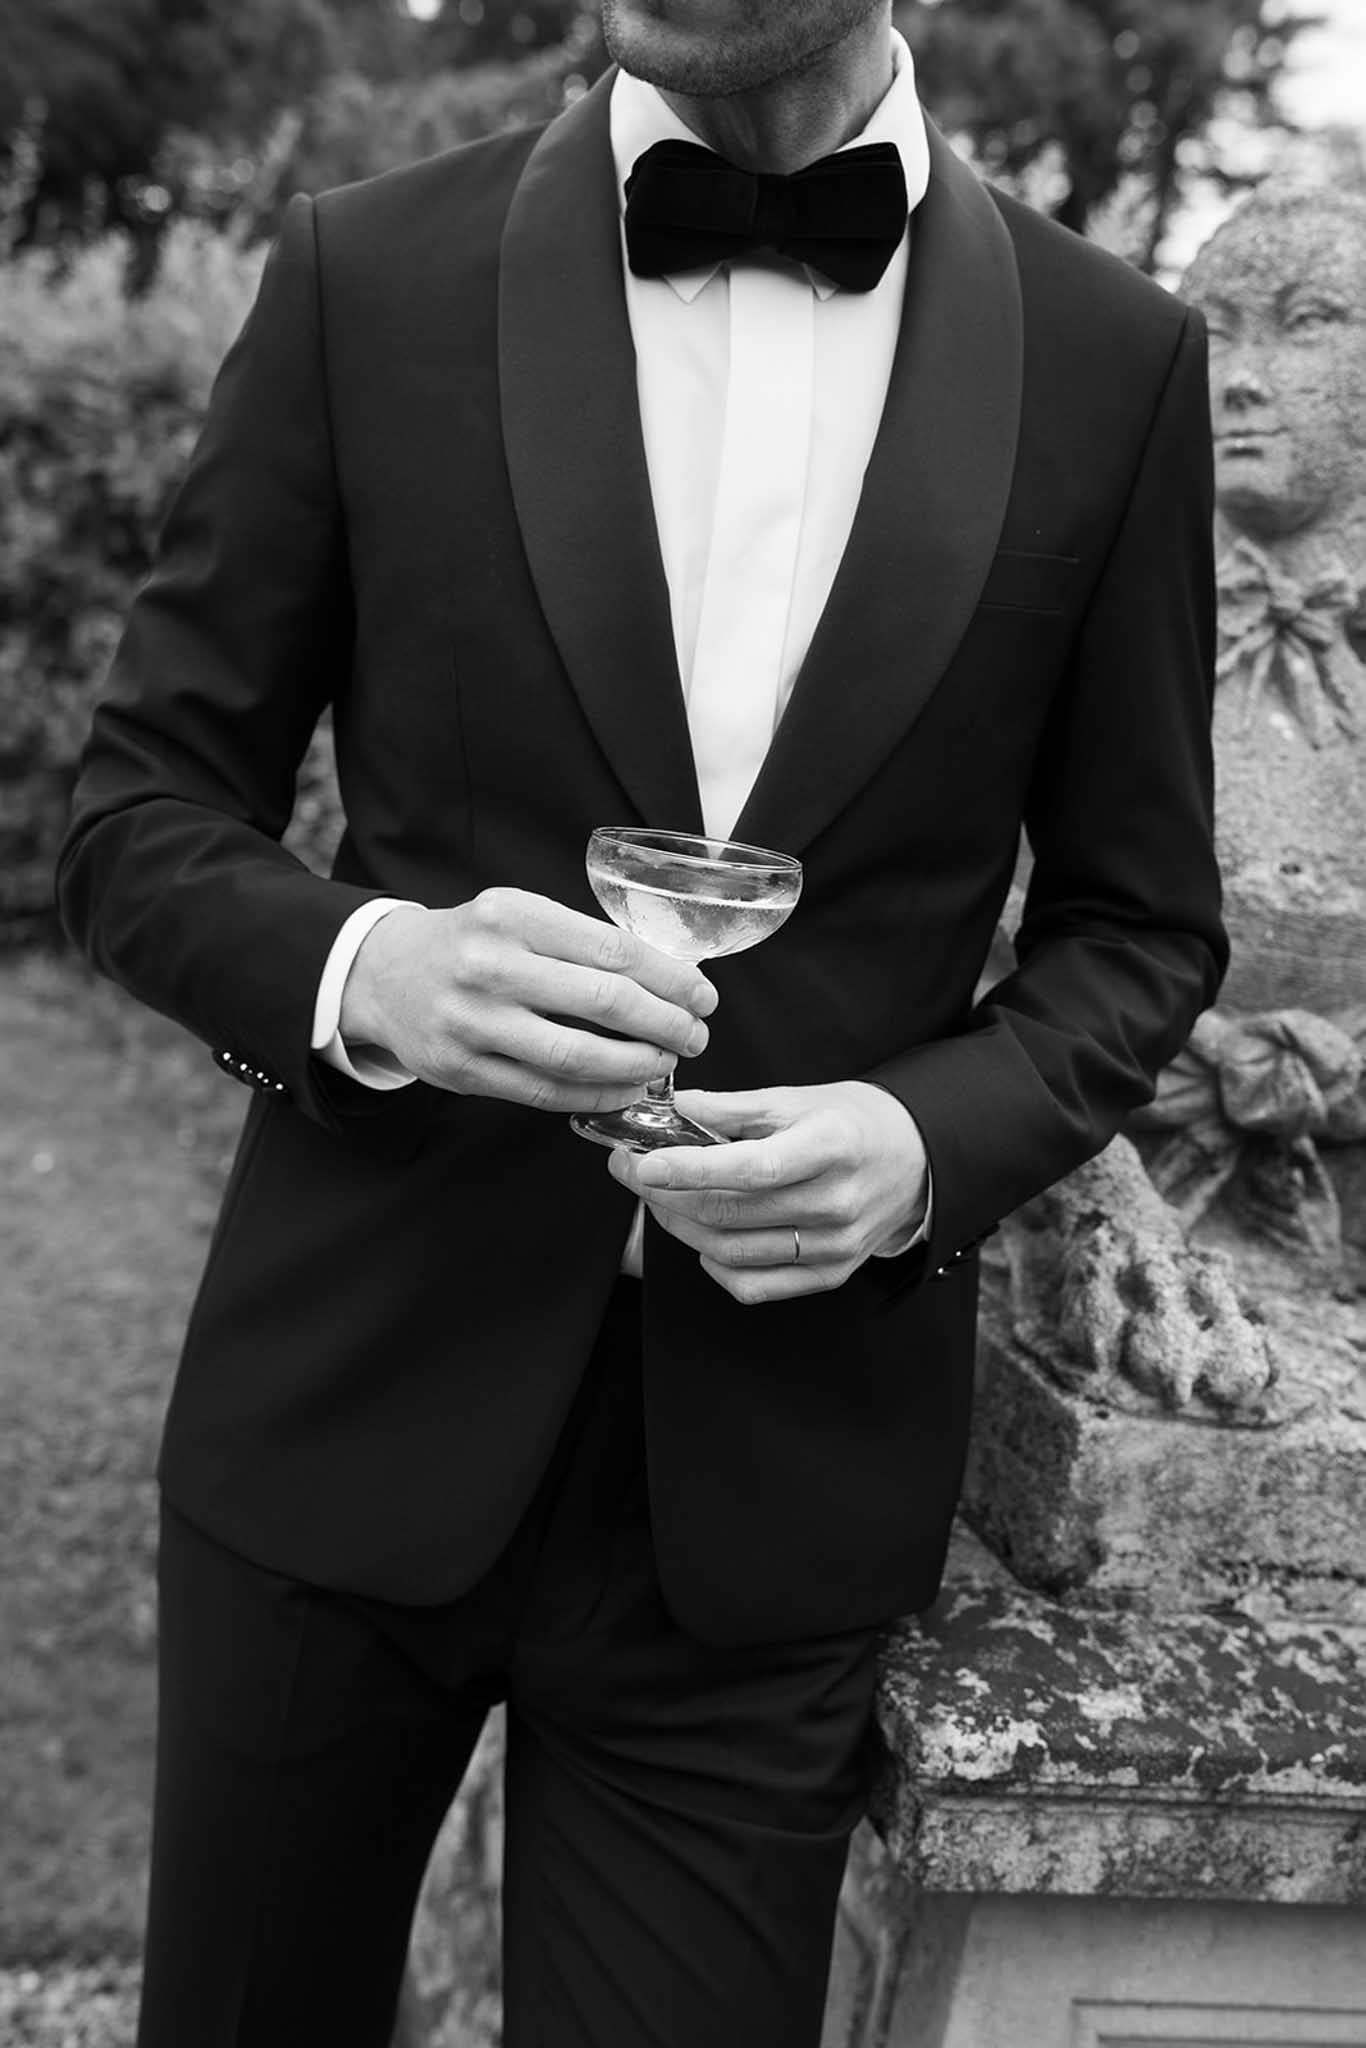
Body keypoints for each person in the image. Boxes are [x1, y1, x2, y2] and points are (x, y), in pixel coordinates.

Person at [56, 0, 1226, 2039]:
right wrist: (371, 972)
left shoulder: (1114, 360)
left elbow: (1136, 927)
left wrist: (922, 1146)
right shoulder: (366, 272)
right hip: (341, 1415)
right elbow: (139, 815)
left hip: (770, 1507)